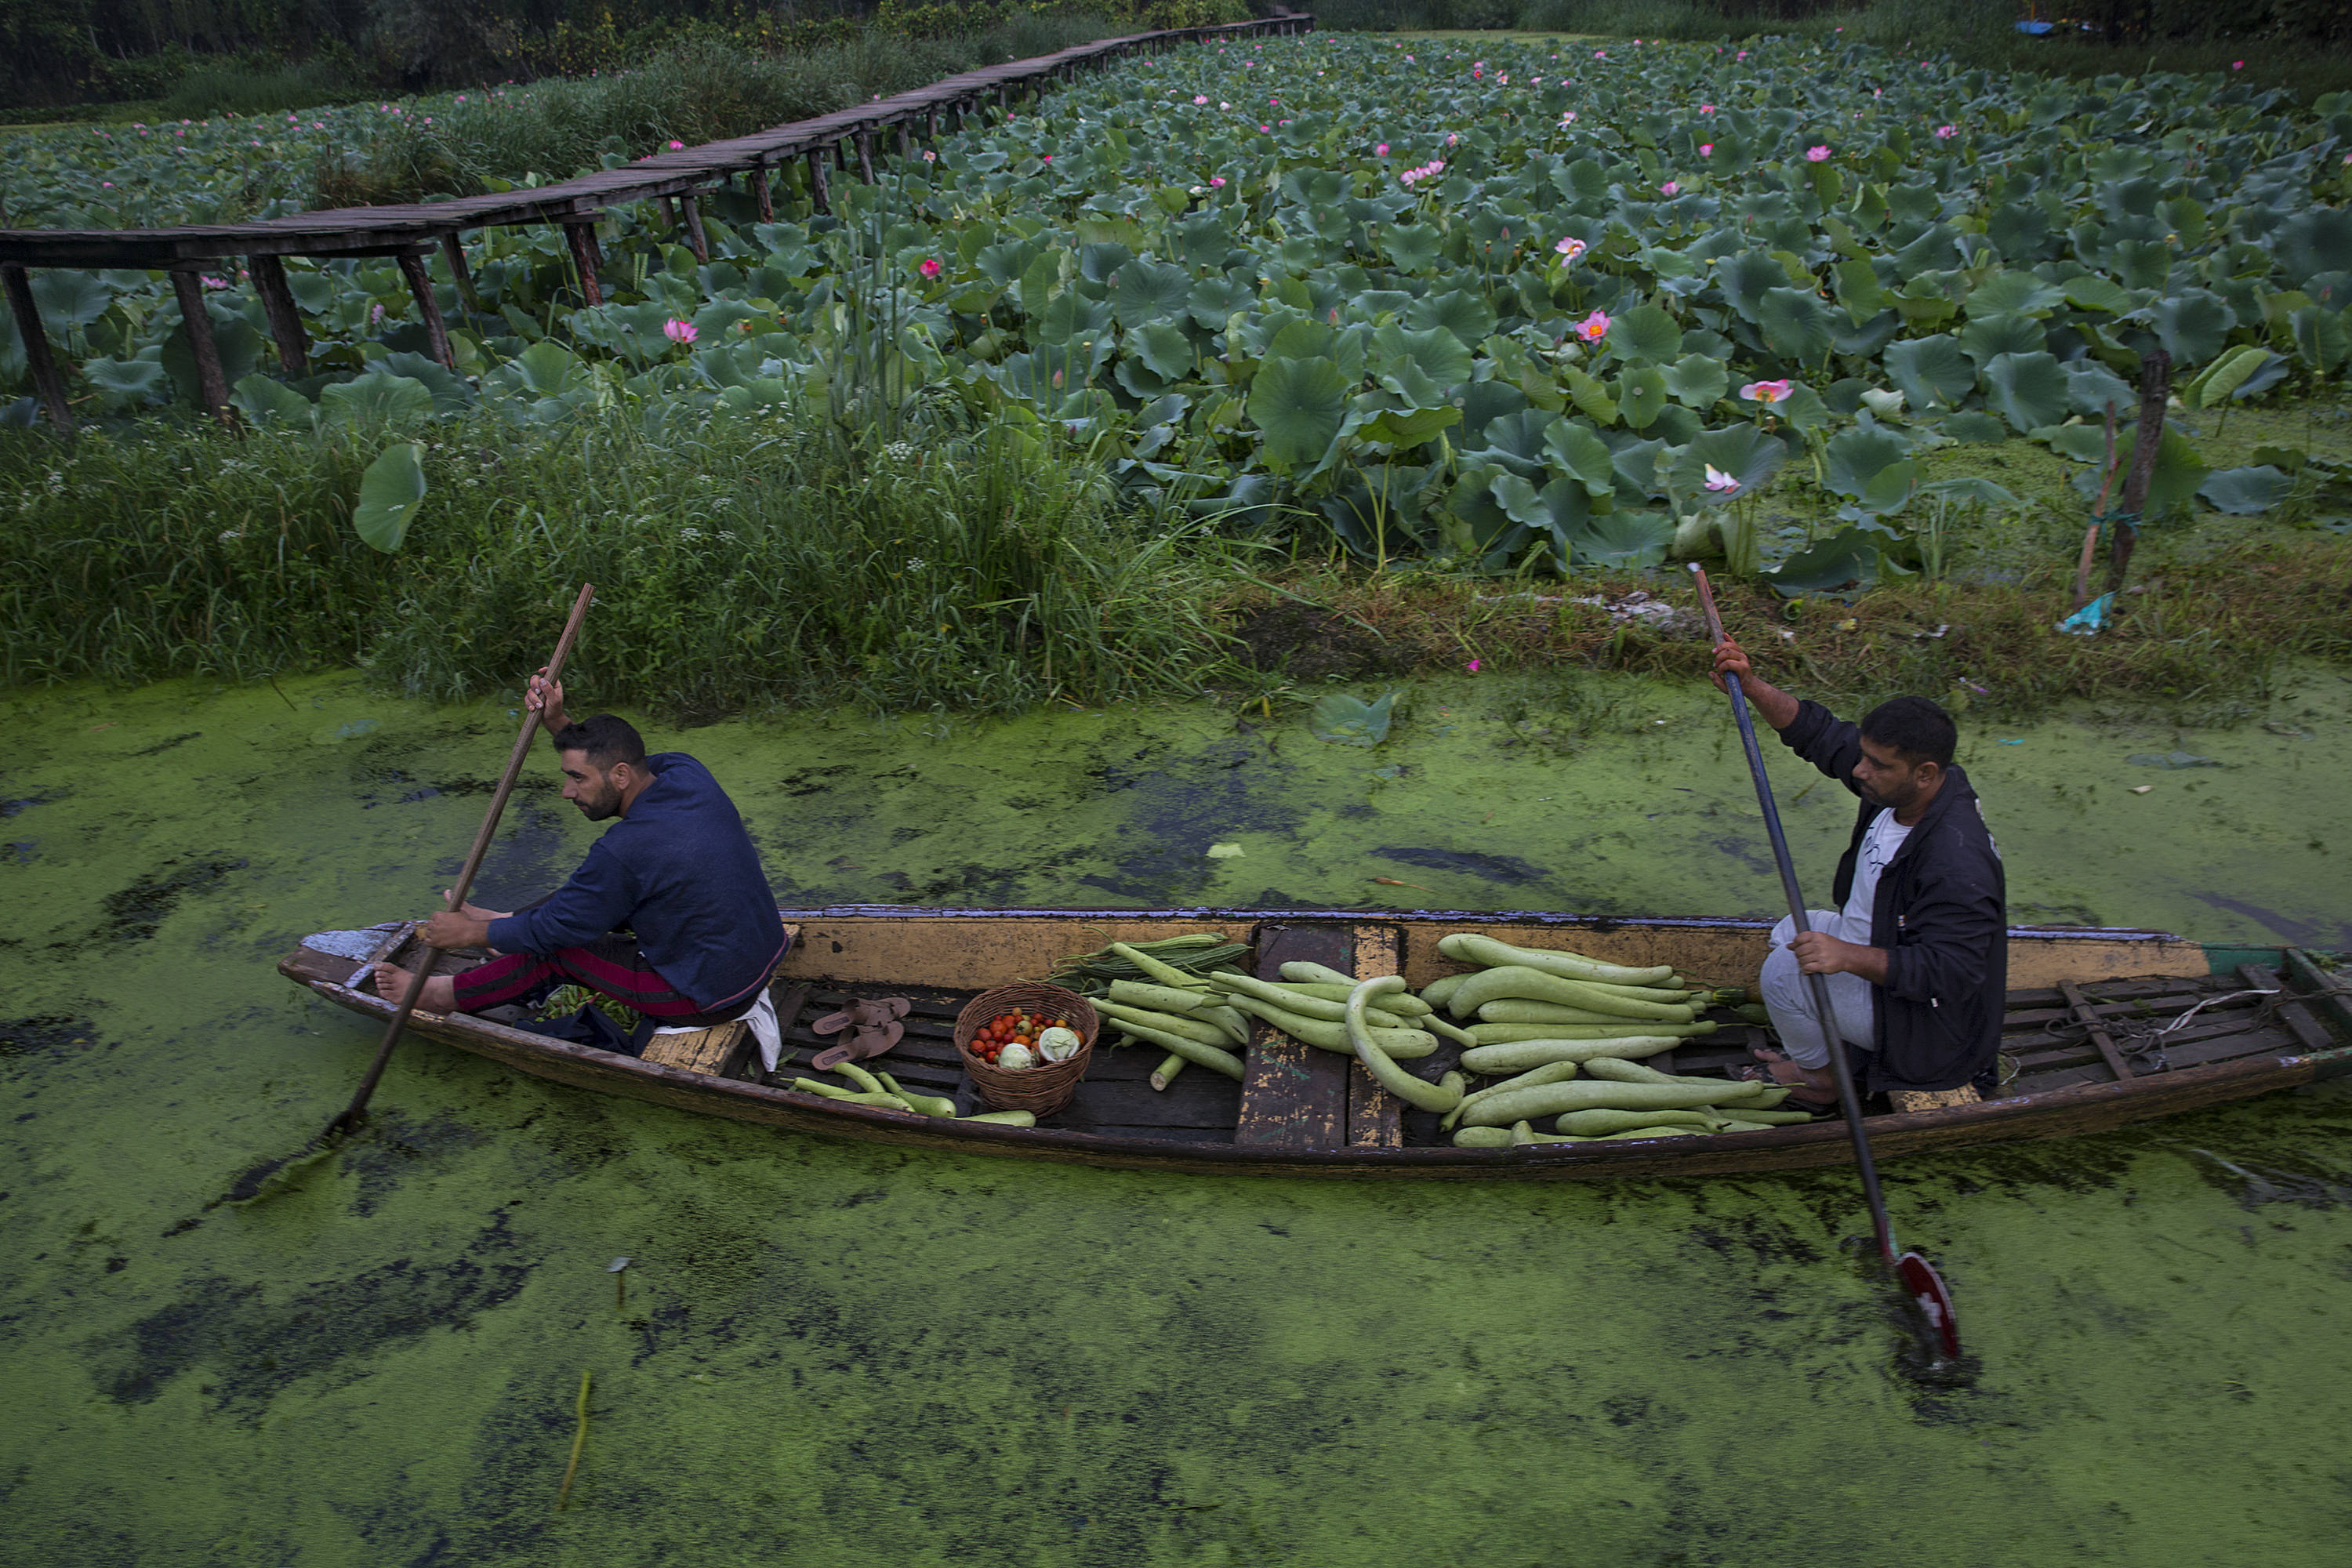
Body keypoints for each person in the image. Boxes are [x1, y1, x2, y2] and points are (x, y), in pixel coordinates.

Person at [372, 673, 789, 1029]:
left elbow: (562, 926)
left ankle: (445, 993)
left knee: (557, 946)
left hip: (706, 997)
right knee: (587, 896)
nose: (566, 791)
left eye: (577, 778)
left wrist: (470, 933)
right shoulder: (685, 771)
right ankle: (509, 924)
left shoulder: (622, 850)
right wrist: (559, 723)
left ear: (621, 775)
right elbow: (622, 763)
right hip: (759, 955)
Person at [1710, 637, 2006, 1114]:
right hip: (1888, 944)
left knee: (1783, 975)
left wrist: (1847, 955)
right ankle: (1836, 1042)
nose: (1860, 771)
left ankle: (1823, 1079)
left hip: (1928, 1028)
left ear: (1926, 773)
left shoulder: (1956, 860)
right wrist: (1751, 686)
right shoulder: (1901, 787)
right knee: (1792, 929)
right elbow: (1822, 736)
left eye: (1876, 765)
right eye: (1864, 756)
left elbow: (1952, 971)